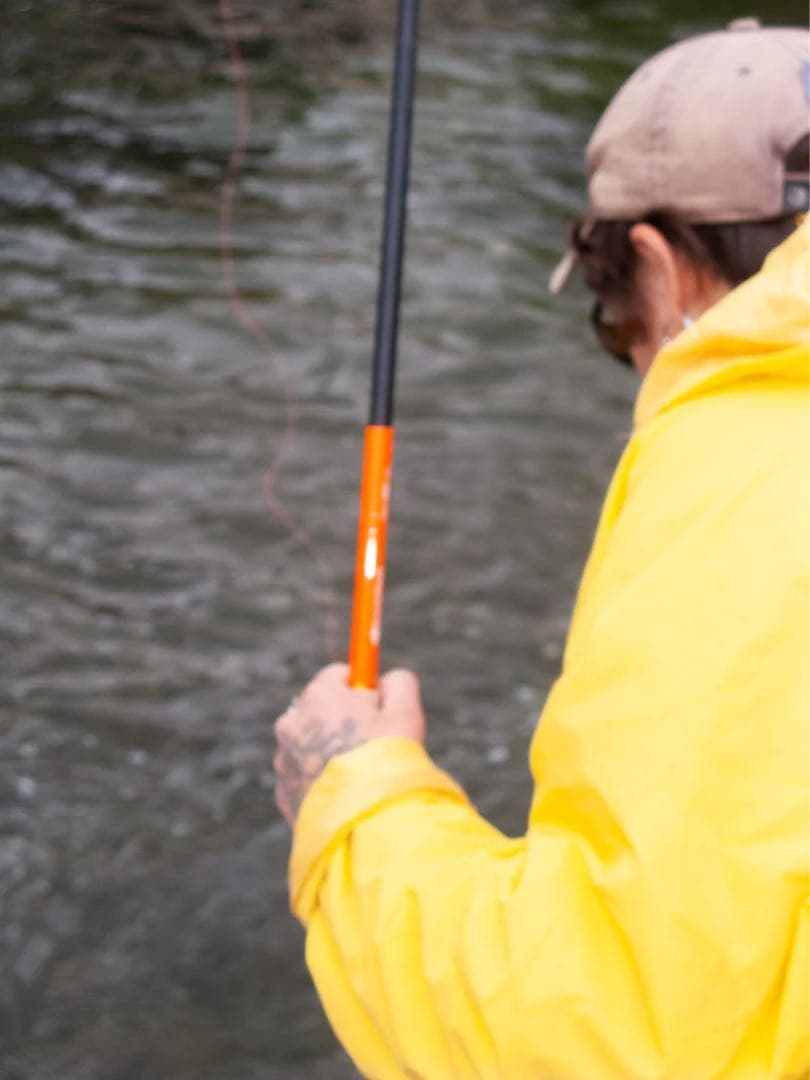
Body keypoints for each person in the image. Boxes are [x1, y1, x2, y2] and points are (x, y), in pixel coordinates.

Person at [274, 20, 809, 1079]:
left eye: (618, 324)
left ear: (660, 268)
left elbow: (614, 1033)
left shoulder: (748, 470)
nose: (634, 362)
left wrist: (353, 798)